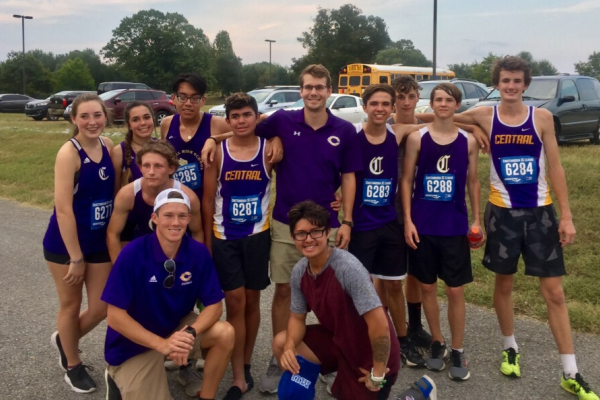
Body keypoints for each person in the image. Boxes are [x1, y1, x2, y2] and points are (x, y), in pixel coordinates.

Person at [439, 55, 598, 398]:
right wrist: (475, 127)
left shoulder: (541, 117)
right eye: (505, 81)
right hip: (503, 213)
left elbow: (555, 167)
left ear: (526, 84)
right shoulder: (486, 114)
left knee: (554, 292)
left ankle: (570, 371)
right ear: (496, 83)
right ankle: (510, 347)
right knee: (505, 283)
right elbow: (441, 116)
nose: (510, 86)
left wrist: (567, 216)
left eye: (516, 81)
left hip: (541, 213)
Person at [251, 64, 362, 393]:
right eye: (308, 87)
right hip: (286, 225)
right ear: (300, 91)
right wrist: (270, 135)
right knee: (285, 290)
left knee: (330, 297)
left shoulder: (343, 130)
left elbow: (349, 176)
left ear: (330, 91)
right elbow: (245, 126)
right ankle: (279, 356)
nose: (314, 92)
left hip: (325, 227)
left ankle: (329, 358)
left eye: (320, 87)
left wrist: (347, 221)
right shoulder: (283, 121)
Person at [102, 188, 234, 400]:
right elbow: (115, 317)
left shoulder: (198, 253)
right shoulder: (132, 254)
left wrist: (188, 334)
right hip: (134, 346)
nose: (176, 222)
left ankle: (206, 397)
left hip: (175, 328)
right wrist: (162, 344)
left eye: (182, 216)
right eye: (168, 215)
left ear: (189, 219)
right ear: (154, 218)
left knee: (224, 332)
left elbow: (215, 305)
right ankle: (115, 377)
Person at [273, 200, 400, 400]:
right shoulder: (299, 271)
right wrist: (289, 346)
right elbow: (297, 319)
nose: (308, 239)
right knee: (282, 342)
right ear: (293, 237)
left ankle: (417, 394)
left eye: (316, 231)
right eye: (301, 234)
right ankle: (327, 380)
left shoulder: (347, 268)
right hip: (338, 343)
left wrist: (378, 372)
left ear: (327, 233)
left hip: (369, 356)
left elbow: (380, 324)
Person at [401, 83, 481, 381]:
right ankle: (437, 341)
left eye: (449, 100)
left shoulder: (468, 141)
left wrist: (476, 220)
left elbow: (473, 182)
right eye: (438, 99)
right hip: (423, 225)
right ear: (431, 104)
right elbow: (407, 180)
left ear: (457, 105)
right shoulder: (416, 138)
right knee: (427, 288)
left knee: (456, 290)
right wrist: (408, 220)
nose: (444, 104)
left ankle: (458, 349)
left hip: (454, 226)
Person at [202, 93, 274, 399]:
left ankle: (245, 364)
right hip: (224, 237)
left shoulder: (269, 149)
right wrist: (206, 243)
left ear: (256, 117)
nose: (241, 121)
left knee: (252, 301)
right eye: (235, 116)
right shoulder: (217, 152)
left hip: (258, 235)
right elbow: (207, 201)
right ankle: (237, 376)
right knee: (235, 302)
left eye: (247, 115)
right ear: (228, 120)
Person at [42, 93, 115, 393]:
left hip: (98, 241)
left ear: (105, 116)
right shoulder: (68, 153)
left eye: (97, 115)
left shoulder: (109, 147)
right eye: (84, 116)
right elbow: (63, 209)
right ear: (73, 119)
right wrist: (75, 257)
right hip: (66, 246)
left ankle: (64, 338)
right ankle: (72, 365)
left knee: (102, 307)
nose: (91, 121)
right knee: (70, 306)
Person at [348, 83, 422, 370]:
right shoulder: (351, 136)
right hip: (360, 225)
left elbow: (439, 120)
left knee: (394, 285)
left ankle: (402, 340)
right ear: (364, 107)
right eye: (374, 103)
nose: (379, 108)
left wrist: (476, 129)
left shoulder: (398, 132)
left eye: (385, 104)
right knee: (358, 286)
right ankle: (359, 340)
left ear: (392, 109)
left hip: (390, 223)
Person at [106, 140, 203, 263]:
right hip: (141, 256)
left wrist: (195, 265)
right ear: (140, 168)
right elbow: (113, 234)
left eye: (158, 166)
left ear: (171, 168)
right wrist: (120, 269)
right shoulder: (128, 195)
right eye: (146, 166)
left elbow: (197, 232)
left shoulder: (188, 197)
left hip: (177, 255)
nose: (151, 172)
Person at [161, 73, 234, 204]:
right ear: (173, 99)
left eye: (194, 98)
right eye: (182, 97)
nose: (188, 103)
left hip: (208, 201)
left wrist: (215, 138)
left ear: (203, 101)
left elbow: (247, 130)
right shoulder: (167, 124)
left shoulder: (216, 124)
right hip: (175, 202)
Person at [110, 101, 157, 194]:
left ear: (153, 119)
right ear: (129, 125)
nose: (143, 123)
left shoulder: (163, 147)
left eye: (146, 117)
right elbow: (116, 192)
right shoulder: (119, 152)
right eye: (135, 120)